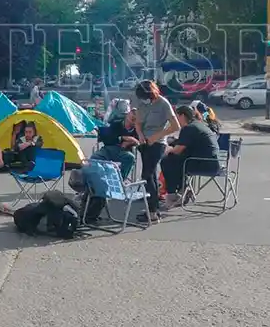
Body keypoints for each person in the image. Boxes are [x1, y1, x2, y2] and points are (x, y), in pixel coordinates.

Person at [159, 105, 220, 210]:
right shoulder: (199, 125)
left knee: (167, 160)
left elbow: (178, 150)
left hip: (203, 164)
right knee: (175, 161)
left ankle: (173, 194)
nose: (176, 120)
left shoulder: (188, 128)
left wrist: (167, 150)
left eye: (176, 116)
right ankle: (183, 190)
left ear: (182, 116)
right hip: (213, 162)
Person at [134, 80, 179, 222]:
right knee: (150, 176)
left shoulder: (163, 103)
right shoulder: (142, 104)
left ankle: (152, 211)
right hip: (144, 143)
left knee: (147, 174)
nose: (145, 100)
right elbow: (138, 122)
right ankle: (153, 210)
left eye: (146, 97)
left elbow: (175, 126)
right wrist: (140, 135)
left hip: (158, 143)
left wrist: (157, 136)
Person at [91, 108, 139, 181]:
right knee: (95, 157)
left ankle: (120, 180)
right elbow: (108, 138)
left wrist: (130, 141)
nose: (134, 116)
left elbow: (138, 141)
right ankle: (96, 181)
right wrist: (123, 138)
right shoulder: (116, 124)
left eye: (136, 115)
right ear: (128, 114)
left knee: (130, 158)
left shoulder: (137, 129)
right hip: (109, 148)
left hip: (124, 151)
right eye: (133, 113)